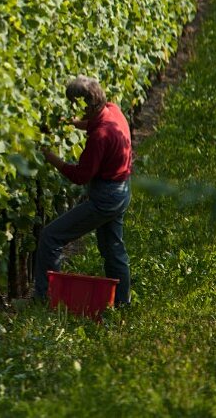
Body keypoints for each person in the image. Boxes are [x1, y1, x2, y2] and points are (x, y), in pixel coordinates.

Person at [34, 76, 132, 306]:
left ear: (84, 105)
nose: (71, 108)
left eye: (73, 104)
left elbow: (80, 176)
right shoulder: (112, 110)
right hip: (122, 189)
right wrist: (70, 122)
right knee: (113, 248)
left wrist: (51, 158)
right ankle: (122, 303)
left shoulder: (100, 137)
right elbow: (92, 123)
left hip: (106, 198)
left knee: (51, 237)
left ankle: (44, 300)